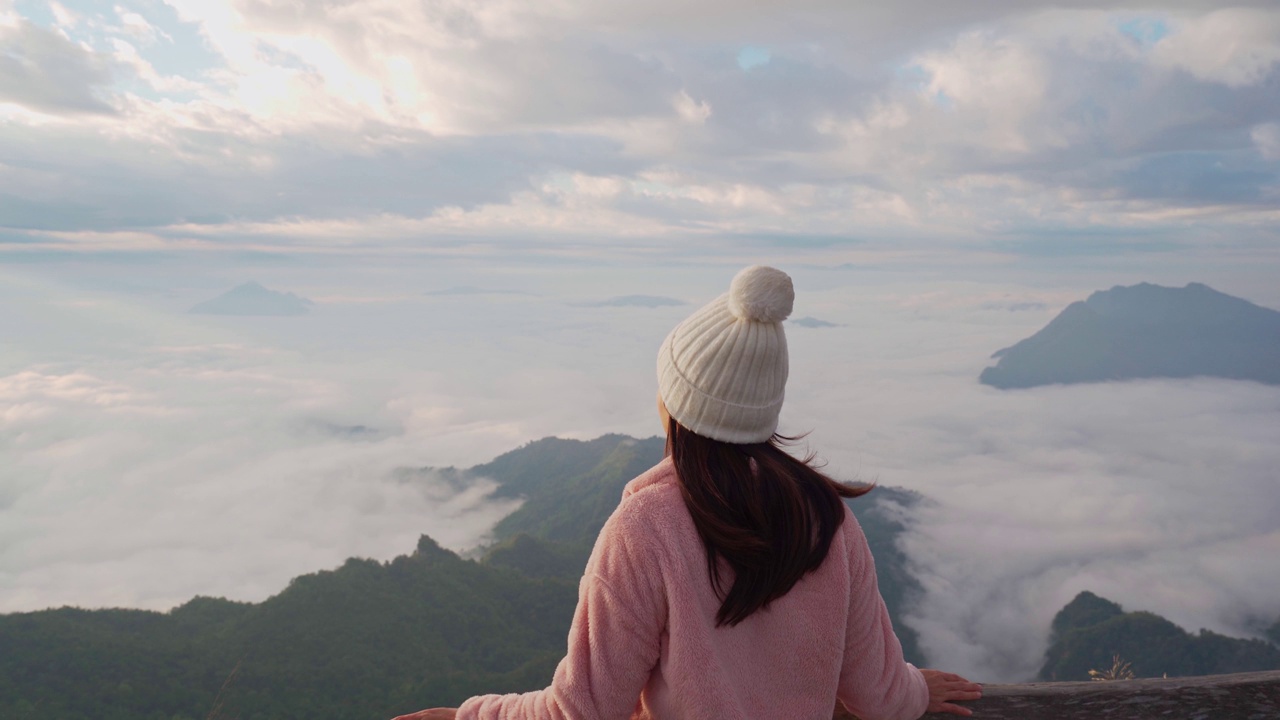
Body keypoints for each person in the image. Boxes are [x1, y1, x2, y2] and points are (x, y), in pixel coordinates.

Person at [394, 266, 981, 720]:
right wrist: (915, 690)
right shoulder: (826, 519)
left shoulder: (647, 528)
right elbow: (876, 695)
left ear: (673, 405)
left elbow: (585, 711)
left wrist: (473, 713)